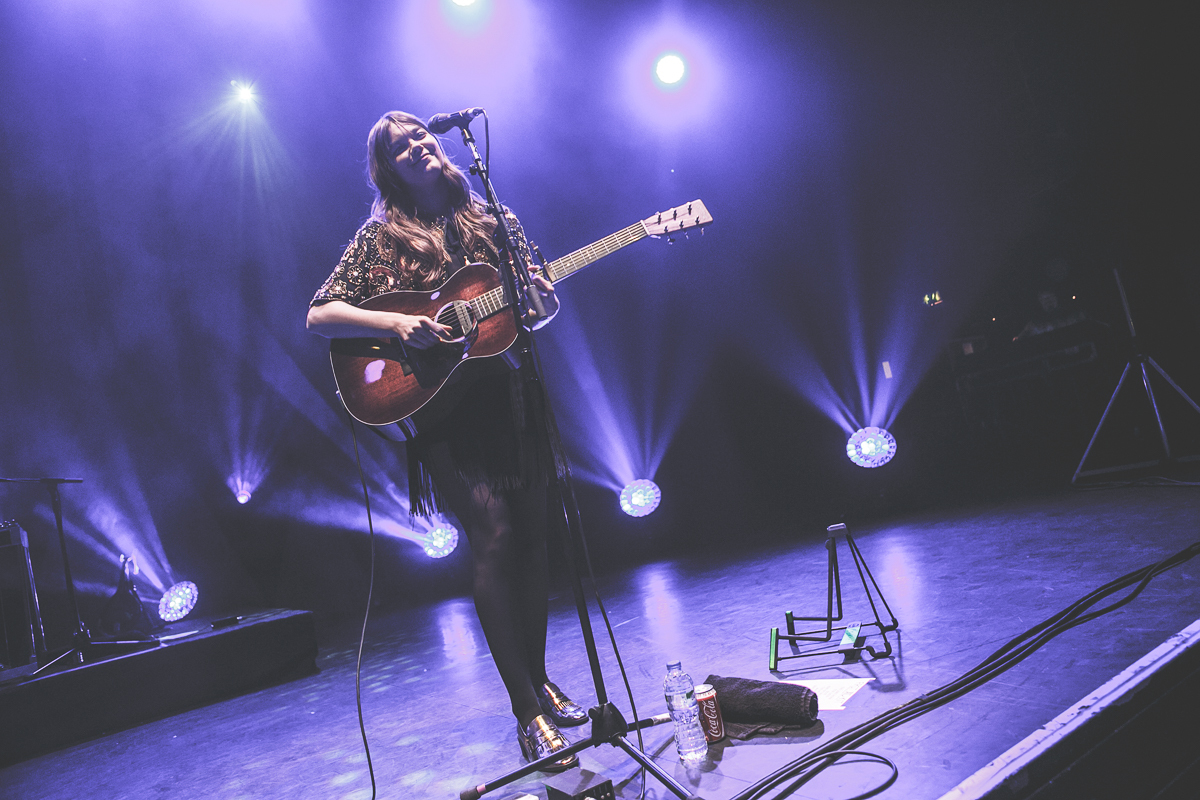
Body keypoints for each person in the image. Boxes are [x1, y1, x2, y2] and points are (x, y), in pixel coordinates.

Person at [306, 111, 586, 771]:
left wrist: (541, 301)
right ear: (389, 170)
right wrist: (399, 327)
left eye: (421, 136)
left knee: (535, 538)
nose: (420, 146)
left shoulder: (495, 217)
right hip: (446, 412)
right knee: (494, 539)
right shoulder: (381, 238)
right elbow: (321, 313)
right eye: (403, 146)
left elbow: (537, 308)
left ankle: (539, 681)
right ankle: (527, 715)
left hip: (511, 393)